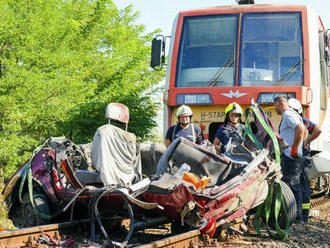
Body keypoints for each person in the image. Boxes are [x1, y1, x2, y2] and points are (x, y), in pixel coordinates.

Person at [288, 98, 322, 223]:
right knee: (303, 186)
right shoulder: (300, 122)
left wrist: (307, 141)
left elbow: (318, 130)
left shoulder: (302, 122)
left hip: (300, 158)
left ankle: (302, 216)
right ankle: (303, 216)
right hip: (301, 157)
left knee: (300, 185)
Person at [274, 96, 306, 224]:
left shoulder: (287, 114)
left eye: (275, 106)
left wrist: (294, 148)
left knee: (292, 185)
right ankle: (297, 216)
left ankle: (296, 216)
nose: (275, 109)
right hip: (292, 155)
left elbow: (300, 129)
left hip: (291, 156)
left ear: (278, 104)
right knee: (294, 185)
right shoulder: (293, 114)